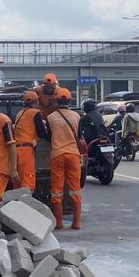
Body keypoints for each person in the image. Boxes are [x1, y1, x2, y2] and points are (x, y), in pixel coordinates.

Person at [46, 87, 83, 230]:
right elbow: (79, 136)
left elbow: (49, 136)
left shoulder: (50, 117)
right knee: (75, 189)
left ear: (56, 100)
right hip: (73, 154)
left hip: (57, 155)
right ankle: (76, 223)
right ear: (69, 100)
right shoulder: (77, 116)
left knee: (56, 190)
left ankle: (59, 223)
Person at [12, 90, 47, 192]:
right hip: (26, 151)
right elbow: (41, 133)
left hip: (16, 151)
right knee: (28, 183)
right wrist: (51, 136)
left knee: (18, 185)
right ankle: (26, 206)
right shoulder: (34, 113)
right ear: (36, 102)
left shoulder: (19, 113)